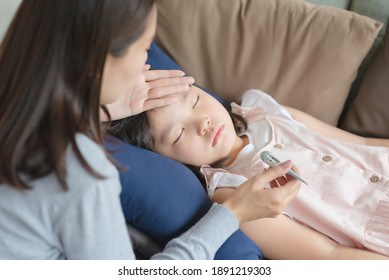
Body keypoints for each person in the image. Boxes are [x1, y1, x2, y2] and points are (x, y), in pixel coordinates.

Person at [0, 0, 301, 260]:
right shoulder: (79, 170)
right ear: (101, 61)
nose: (148, 59)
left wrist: (102, 107)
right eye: (144, 48)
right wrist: (233, 213)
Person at [109, 85, 389, 259]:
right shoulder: (234, 193)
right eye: (179, 134)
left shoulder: (265, 113)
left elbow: (360, 144)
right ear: (167, 160)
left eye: (194, 101)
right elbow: (329, 257)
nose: (202, 123)